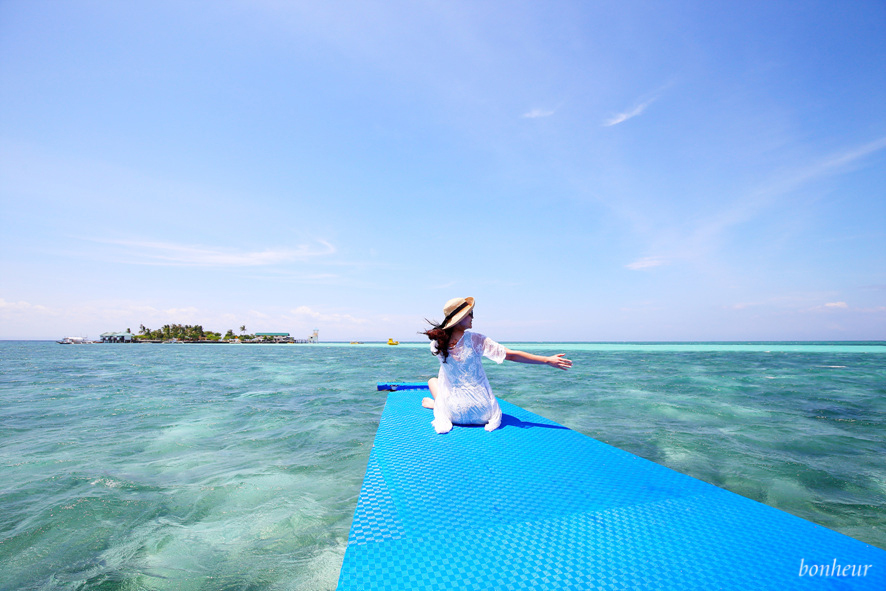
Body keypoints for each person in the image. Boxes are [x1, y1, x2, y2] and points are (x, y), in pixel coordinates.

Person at [421, 296, 572, 434]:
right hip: (482, 413)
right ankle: (437, 404)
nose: (473, 317)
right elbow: (511, 355)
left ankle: (437, 405)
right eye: (470, 314)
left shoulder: (436, 344)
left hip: (454, 414)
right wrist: (547, 360)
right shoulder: (476, 340)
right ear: (459, 319)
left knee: (433, 381)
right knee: (438, 381)